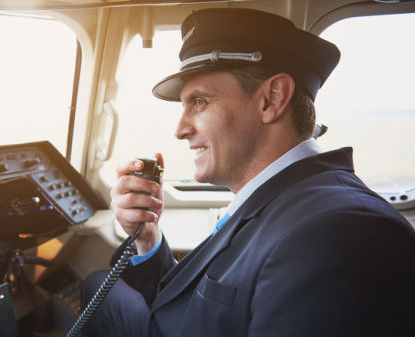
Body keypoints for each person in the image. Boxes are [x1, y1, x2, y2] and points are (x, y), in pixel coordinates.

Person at [81, 7, 415, 337]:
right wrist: (147, 238)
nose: (180, 130)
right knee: (99, 285)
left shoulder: (341, 236)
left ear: (271, 99)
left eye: (199, 102)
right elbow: (199, 306)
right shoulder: (278, 200)